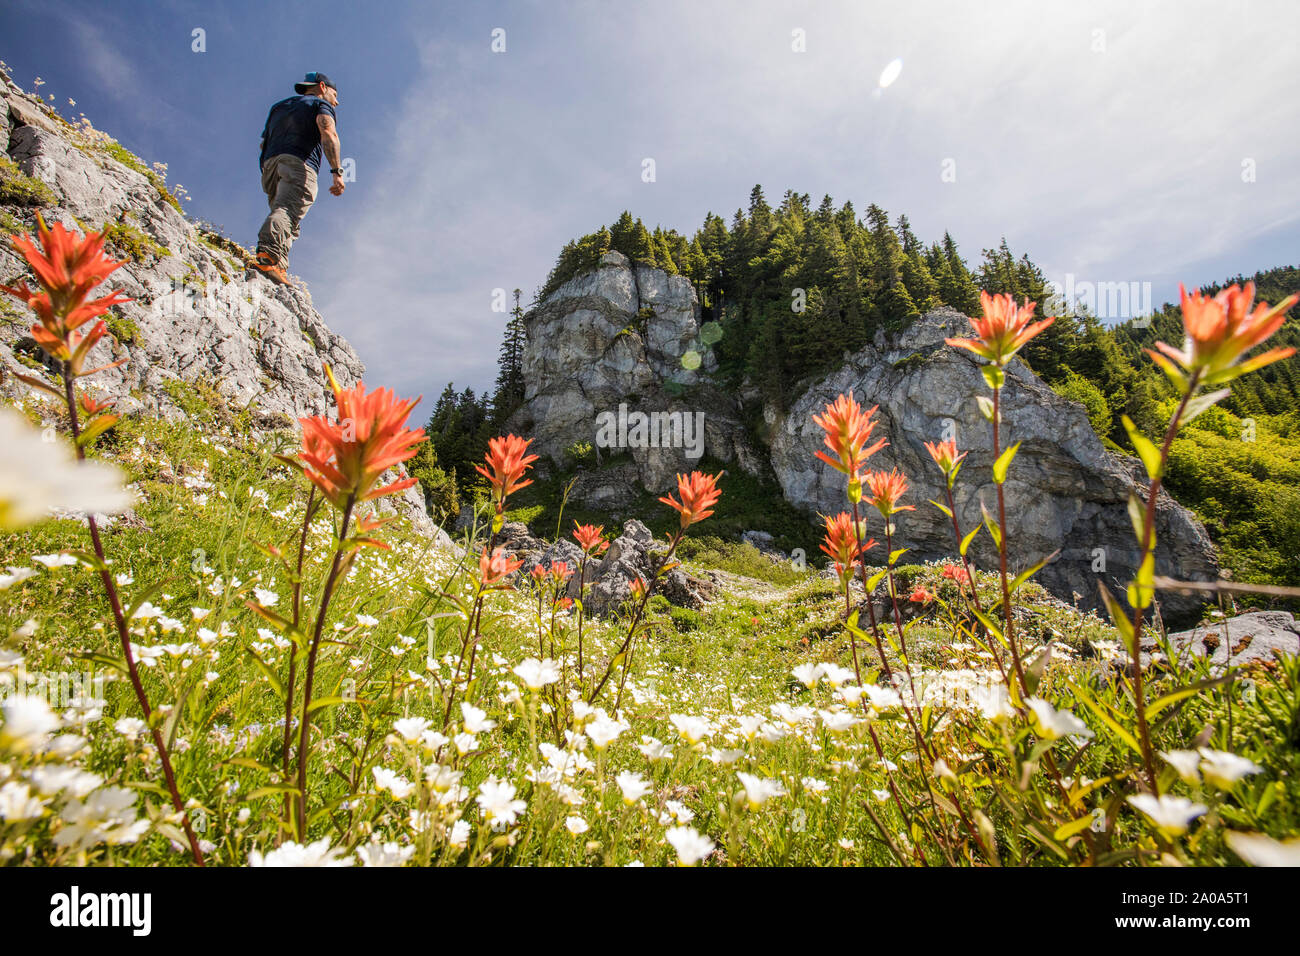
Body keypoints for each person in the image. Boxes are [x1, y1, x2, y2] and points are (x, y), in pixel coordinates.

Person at [253, 71, 345, 285]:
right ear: (322, 87)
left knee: (287, 217)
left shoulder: (278, 107)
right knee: (288, 210)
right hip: (299, 163)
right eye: (334, 94)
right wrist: (337, 172)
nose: (337, 101)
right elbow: (328, 133)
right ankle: (268, 256)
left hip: (270, 164)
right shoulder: (321, 105)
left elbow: (262, 142)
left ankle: (278, 267)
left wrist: (270, 165)